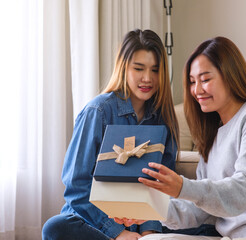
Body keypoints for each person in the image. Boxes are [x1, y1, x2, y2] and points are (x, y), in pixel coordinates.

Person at [117, 36, 246, 240]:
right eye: (192, 82)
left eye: (205, 79)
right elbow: (199, 211)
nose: (197, 90)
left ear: (230, 76)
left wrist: (182, 187)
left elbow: (245, 189)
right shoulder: (212, 135)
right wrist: (148, 210)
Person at [41, 29, 180, 240]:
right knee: (55, 227)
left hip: (142, 226)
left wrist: (149, 232)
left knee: (208, 225)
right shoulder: (98, 111)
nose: (147, 78)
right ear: (124, 68)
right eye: (139, 68)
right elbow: (77, 189)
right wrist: (117, 232)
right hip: (95, 223)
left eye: (155, 70)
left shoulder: (164, 118)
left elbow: (162, 188)